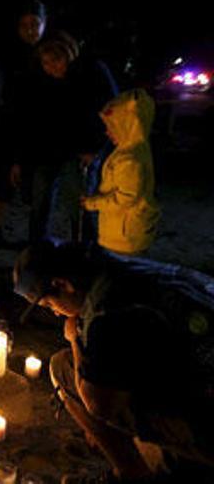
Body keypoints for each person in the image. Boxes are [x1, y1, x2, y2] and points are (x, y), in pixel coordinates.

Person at [13, 242, 214, 481]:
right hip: (195, 371)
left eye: (49, 304)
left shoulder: (107, 315)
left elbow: (98, 406)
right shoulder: (115, 269)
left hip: (205, 420)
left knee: (64, 369)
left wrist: (74, 338)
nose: (55, 313)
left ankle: (133, 472)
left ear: (62, 284)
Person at [27, 31, 118, 243]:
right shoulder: (42, 79)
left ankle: (84, 248)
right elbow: (35, 114)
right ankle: (37, 247)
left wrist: (95, 147)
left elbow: (111, 111)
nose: (52, 67)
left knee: (80, 202)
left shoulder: (92, 72)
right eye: (46, 62)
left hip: (81, 151)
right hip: (47, 150)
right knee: (40, 202)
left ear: (68, 54)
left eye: (56, 60)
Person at [0, 0, 47, 249]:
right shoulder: (6, 57)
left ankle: (35, 235)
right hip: (5, 129)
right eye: (25, 25)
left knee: (34, 188)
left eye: (35, 24)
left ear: (43, 25)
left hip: (36, 132)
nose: (30, 30)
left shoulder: (50, 54)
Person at [81, 89, 160, 255]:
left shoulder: (129, 159)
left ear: (128, 125)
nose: (108, 132)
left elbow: (125, 198)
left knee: (120, 273)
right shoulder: (132, 149)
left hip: (123, 237)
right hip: (123, 231)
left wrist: (92, 203)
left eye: (112, 126)